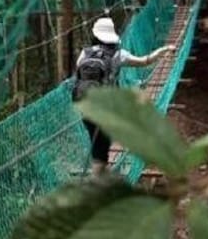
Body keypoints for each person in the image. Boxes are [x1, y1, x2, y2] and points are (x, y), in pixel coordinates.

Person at [72, 17, 175, 175]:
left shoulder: (84, 53)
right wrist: (163, 50)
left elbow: (79, 74)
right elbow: (144, 61)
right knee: (102, 147)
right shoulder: (119, 54)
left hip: (84, 104)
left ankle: (100, 176)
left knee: (97, 144)